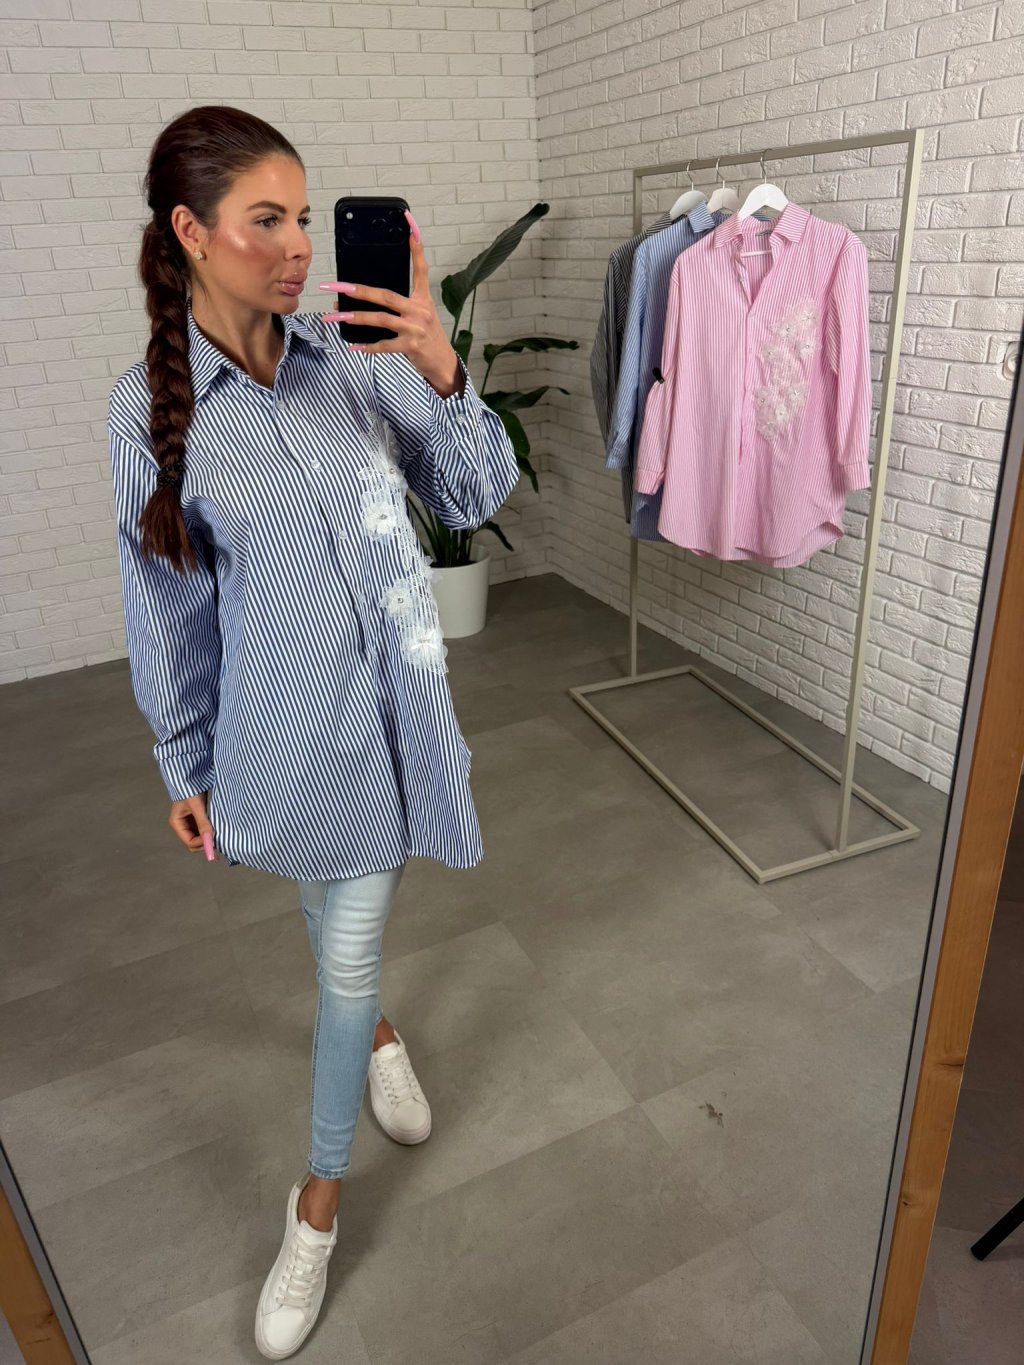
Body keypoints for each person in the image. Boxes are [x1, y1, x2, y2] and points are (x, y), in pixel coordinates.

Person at [107, 105, 520, 1360]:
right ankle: (381, 1045)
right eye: (266, 220)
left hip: (389, 718)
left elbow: (475, 491)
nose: (298, 245)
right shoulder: (147, 411)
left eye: (304, 215)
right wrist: (184, 757)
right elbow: (167, 607)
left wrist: (442, 370)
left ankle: (318, 1205)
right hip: (278, 732)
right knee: (319, 898)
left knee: (344, 955)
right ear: (192, 233)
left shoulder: (355, 357)